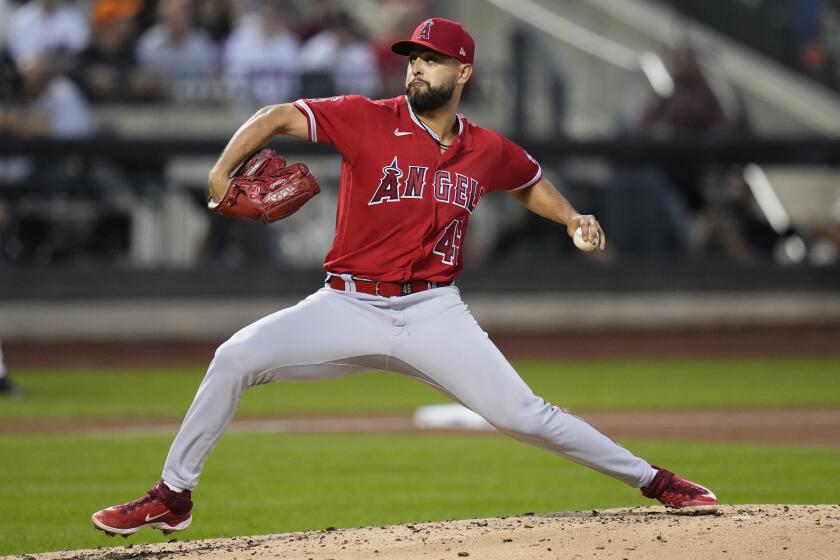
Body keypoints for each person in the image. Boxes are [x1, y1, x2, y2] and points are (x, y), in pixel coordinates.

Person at [91, 18, 717, 538]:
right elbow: (280, 115)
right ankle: (173, 495)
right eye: (413, 58)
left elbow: (527, 182)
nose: (417, 68)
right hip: (345, 306)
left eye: (433, 60)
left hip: (433, 313)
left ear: (463, 73)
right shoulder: (367, 116)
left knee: (525, 415)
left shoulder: (486, 148)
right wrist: (222, 169)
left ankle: (656, 481)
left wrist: (572, 217)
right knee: (233, 358)